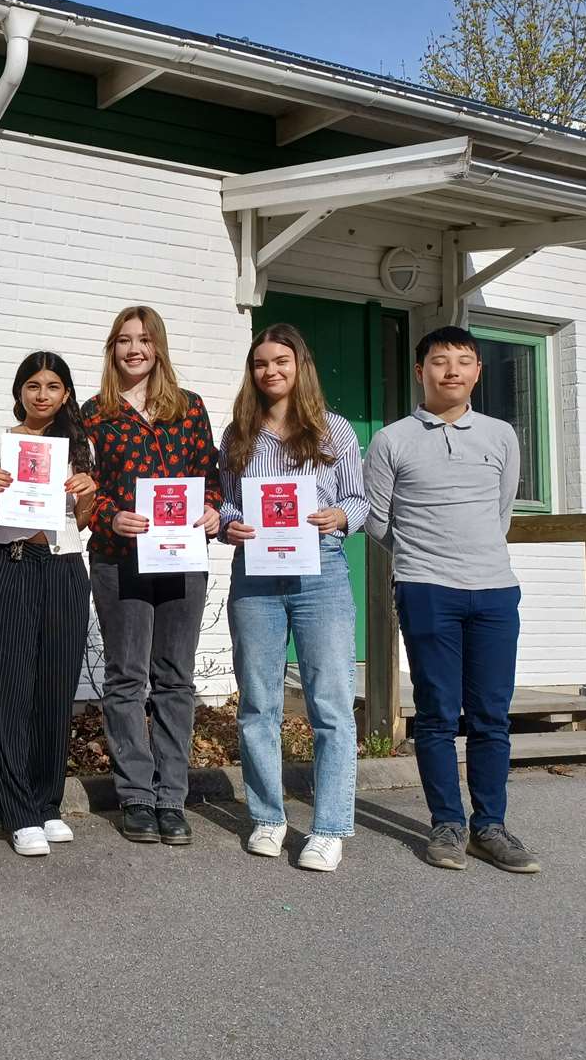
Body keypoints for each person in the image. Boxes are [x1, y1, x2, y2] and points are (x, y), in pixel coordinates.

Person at [365, 326, 537, 874]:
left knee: (491, 715)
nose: (452, 371)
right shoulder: (391, 440)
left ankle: (490, 827)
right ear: (421, 372)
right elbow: (377, 520)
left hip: (494, 590)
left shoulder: (500, 435)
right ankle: (447, 824)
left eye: (464, 361)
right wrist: (422, 559)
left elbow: (501, 511)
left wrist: (471, 554)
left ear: (478, 372)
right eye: (440, 361)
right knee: (437, 714)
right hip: (426, 589)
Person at [218, 324, 368, 872]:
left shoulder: (334, 429)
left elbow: (359, 499)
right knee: (259, 704)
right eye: (261, 363)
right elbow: (226, 503)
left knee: (330, 704)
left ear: (299, 366)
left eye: (281, 361)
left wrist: (340, 516)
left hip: (320, 572)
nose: (271, 371)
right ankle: (268, 817)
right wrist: (229, 525)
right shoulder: (238, 434)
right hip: (255, 575)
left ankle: (329, 828)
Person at [83, 306, 220, 847]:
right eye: (124, 340)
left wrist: (212, 510)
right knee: (125, 678)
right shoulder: (94, 414)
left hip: (181, 560)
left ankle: (171, 797)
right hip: (119, 559)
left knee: (174, 679)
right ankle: (136, 796)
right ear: (112, 349)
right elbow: (84, 488)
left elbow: (210, 475)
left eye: (143, 339)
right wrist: (109, 515)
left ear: (158, 347)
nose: (134, 349)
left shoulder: (190, 408)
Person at [0, 352, 98, 857]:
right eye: (33, 386)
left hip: (64, 568)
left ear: (66, 395)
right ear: (19, 391)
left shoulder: (80, 447)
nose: (42, 395)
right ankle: (19, 811)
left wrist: (86, 494)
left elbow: (81, 522)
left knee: (56, 689)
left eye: (52, 386)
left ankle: (47, 803)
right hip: (11, 563)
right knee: (10, 688)